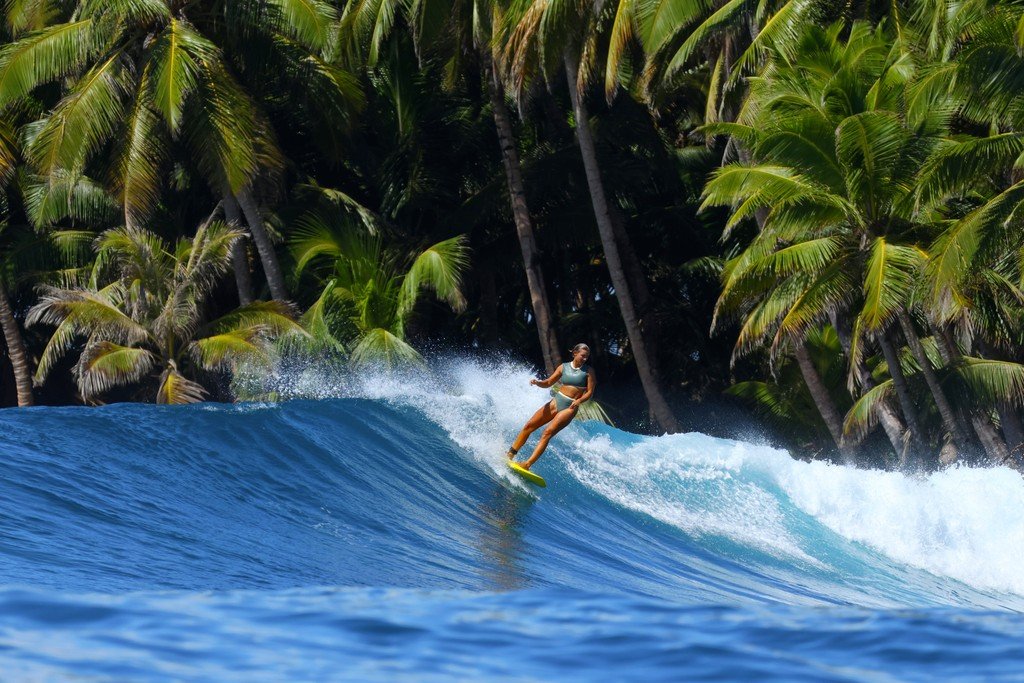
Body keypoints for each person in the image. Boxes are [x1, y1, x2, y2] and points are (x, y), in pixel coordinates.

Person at [506, 343, 596, 470]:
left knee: (547, 433)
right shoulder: (563, 367)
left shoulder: (588, 371)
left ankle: (527, 464)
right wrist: (538, 382)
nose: (585, 359)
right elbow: (548, 382)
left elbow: (590, 392)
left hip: (570, 407)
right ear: (575, 353)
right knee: (529, 426)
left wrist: (579, 400)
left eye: (587, 357)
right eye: (583, 355)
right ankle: (510, 454)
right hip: (557, 400)